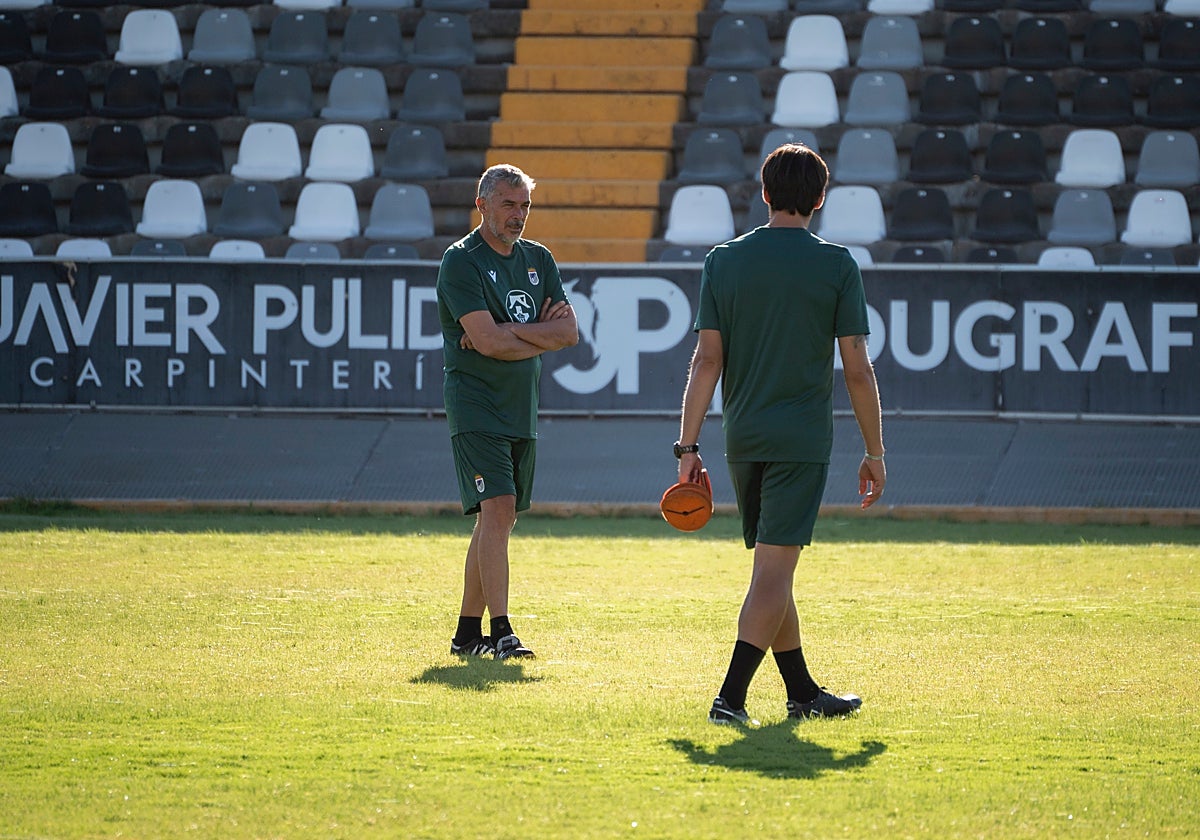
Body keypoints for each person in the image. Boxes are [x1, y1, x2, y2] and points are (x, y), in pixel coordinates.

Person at [674, 143, 886, 725]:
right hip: (800, 441)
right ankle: (730, 699)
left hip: (742, 439)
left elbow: (706, 361)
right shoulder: (837, 264)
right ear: (820, 198)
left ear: (765, 194)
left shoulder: (724, 260)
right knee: (774, 571)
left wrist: (688, 448)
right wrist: (874, 452)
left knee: (773, 566)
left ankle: (802, 692)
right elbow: (858, 368)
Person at [436, 164, 578, 661]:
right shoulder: (461, 261)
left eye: (525, 206)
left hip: (522, 406)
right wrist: (528, 336)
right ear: (483, 205)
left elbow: (568, 335)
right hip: (476, 406)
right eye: (508, 205)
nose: (518, 216)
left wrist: (502, 336)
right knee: (497, 511)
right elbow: (497, 343)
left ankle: (465, 634)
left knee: (500, 518)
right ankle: (502, 632)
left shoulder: (539, 259)